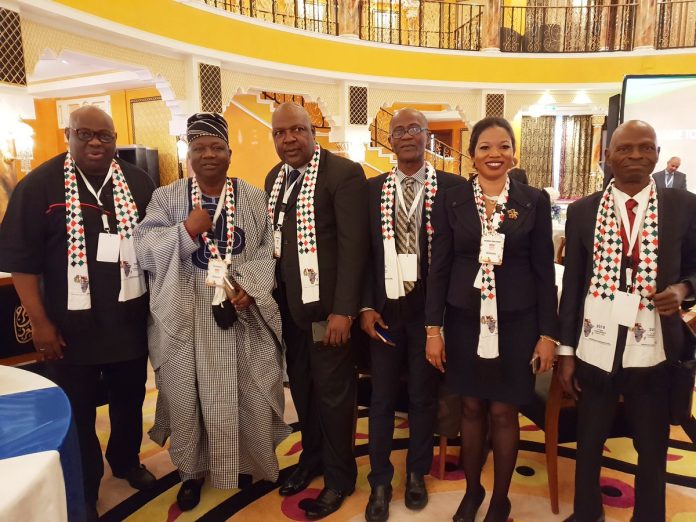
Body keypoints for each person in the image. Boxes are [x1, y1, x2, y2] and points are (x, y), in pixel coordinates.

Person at [0, 106, 156, 519]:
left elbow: (157, 247)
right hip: (69, 329)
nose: (95, 143)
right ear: (68, 135)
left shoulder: (138, 182)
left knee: (129, 400)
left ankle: (125, 460)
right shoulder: (39, 186)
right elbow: (22, 263)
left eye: (104, 135)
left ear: (115, 138)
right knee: (78, 410)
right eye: (84, 134)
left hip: (127, 323)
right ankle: (85, 483)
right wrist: (40, 323)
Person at [133, 112, 290, 511]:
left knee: (250, 390)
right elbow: (144, 248)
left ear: (229, 153)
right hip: (184, 312)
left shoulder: (252, 197)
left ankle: (247, 464)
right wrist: (185, 230)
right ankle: (191, 473)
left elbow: (267, 249)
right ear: (188, 153)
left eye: (217, 147)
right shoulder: (166, 197)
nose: (208, 154)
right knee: (187, 398)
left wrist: (250, 288)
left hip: (239, 309)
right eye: (199, 147)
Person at [558, 120, 696, 522]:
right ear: (608, 156)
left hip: (654, 349)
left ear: (657, 154)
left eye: (645, 147)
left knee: (652, 446)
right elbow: (573, 286)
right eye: (625, 149)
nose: (636, 155)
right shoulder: (583, 211)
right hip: (595, 345)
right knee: (588, 441)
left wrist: (683, 289)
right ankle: (587, 513)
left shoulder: (684, 206)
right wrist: (566, 353)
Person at [425, 117, 559, 522]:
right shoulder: (451, 200)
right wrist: (433, 329)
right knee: (469, 408)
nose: (495, 154)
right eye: (485, 147)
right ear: (472, 156)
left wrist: (548, 334)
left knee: (503, 411)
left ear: (514, 153)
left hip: (517, 322)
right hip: (464, 320)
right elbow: (439, 268)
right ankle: (473, 490)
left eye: (503, 146)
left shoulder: (533, 200)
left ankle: (500, 499)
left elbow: (544, 271)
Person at [360, 108, 466, 522]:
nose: (406, 136)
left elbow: (459, 255)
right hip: (385, 312)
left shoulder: (453, 188)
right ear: (389, 139)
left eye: (414, 129)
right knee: (382, 399)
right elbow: (363, 255)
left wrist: (442, 319)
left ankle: (417, 473)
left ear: (426, 137)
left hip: (429, 313)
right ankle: (380, 481)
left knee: (423, 397)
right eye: (399, 130)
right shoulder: (372, 190)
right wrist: (365, 306)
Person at [265, 102, 368, 519]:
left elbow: (354, 249)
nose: (288, 139)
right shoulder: (275, 178)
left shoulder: (342, 174)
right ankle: (312, 458)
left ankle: (340, 477)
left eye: (296, 130)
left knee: (334, 395)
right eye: (279, 133)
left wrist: (345, 310)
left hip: (329, 314)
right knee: (304, 389)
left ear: (312, 131)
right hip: (291, 310)